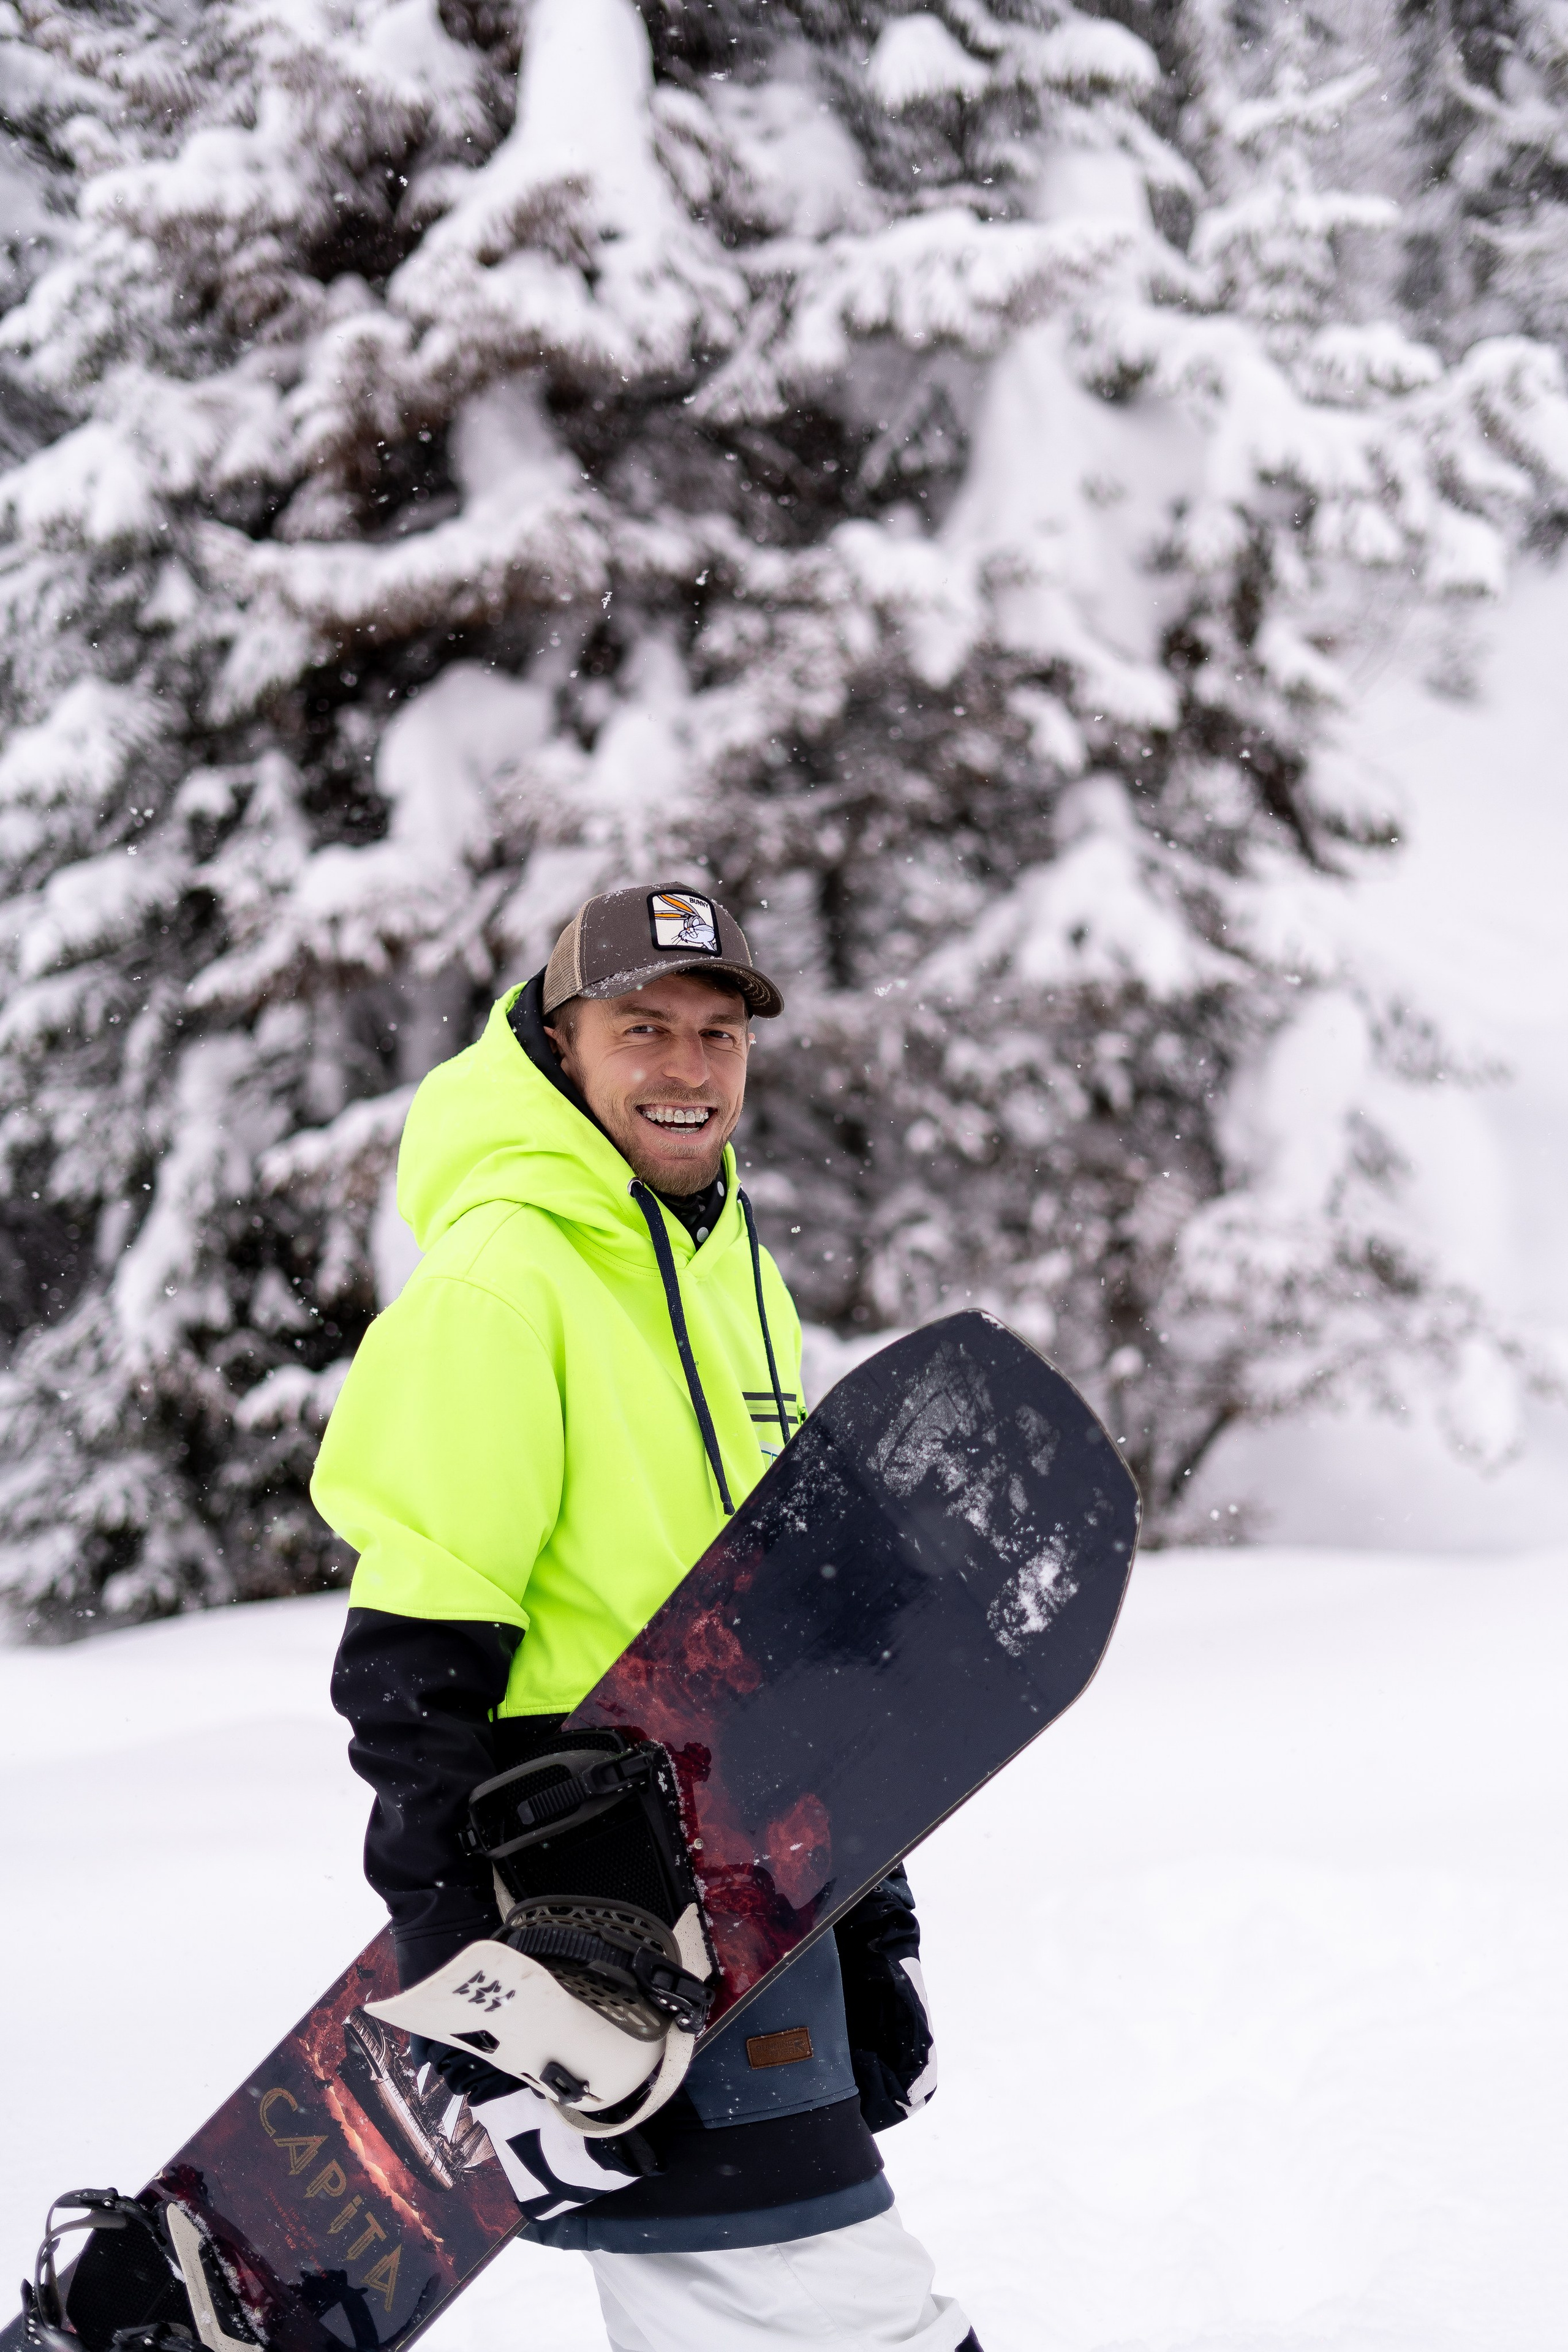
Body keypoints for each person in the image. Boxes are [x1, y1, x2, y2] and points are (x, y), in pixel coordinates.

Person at [312, 884, 980, 2352]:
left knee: (754, 2314)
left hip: (762, 1886)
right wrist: (460, 1984)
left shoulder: (742, 1277)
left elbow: (795, 1637)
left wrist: (871, 1922)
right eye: (643, 1030)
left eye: (716, 1033)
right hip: (591, 1918)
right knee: (820, 2309)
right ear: (563, 1045)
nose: (687, 1067)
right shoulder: (502, 1279)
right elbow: (411, 1663)